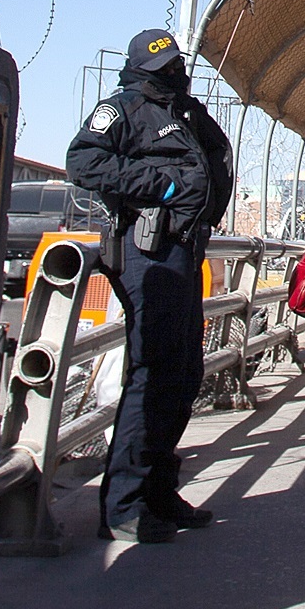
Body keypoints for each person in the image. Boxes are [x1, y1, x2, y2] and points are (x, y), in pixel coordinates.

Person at [68, 27, 236, 542]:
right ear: (147, 70)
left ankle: (159, 491)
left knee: (183, 371)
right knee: (153, 371)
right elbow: (83, 161)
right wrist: (161, 185)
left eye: (177, 67)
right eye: (167, 69)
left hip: (183, 251)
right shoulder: (125, 108)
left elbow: (214, 160)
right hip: (148, 253)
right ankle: (123, 505)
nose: (177, 75)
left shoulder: (183, 110)